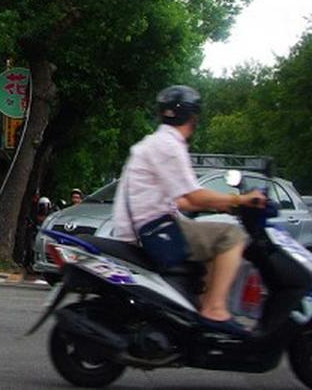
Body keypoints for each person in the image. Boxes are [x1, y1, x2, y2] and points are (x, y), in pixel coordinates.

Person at [112, 85, 266, 332]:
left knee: (215, 233)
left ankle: (201, 303)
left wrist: (224, 205)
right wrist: (241, 200)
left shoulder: (155, 143)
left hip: (148, 224)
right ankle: (214, 309)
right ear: (193, 117)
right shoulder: (171, 146)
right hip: (154, 229)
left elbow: (183, 201)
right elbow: (194, 196)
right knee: (231, 236)